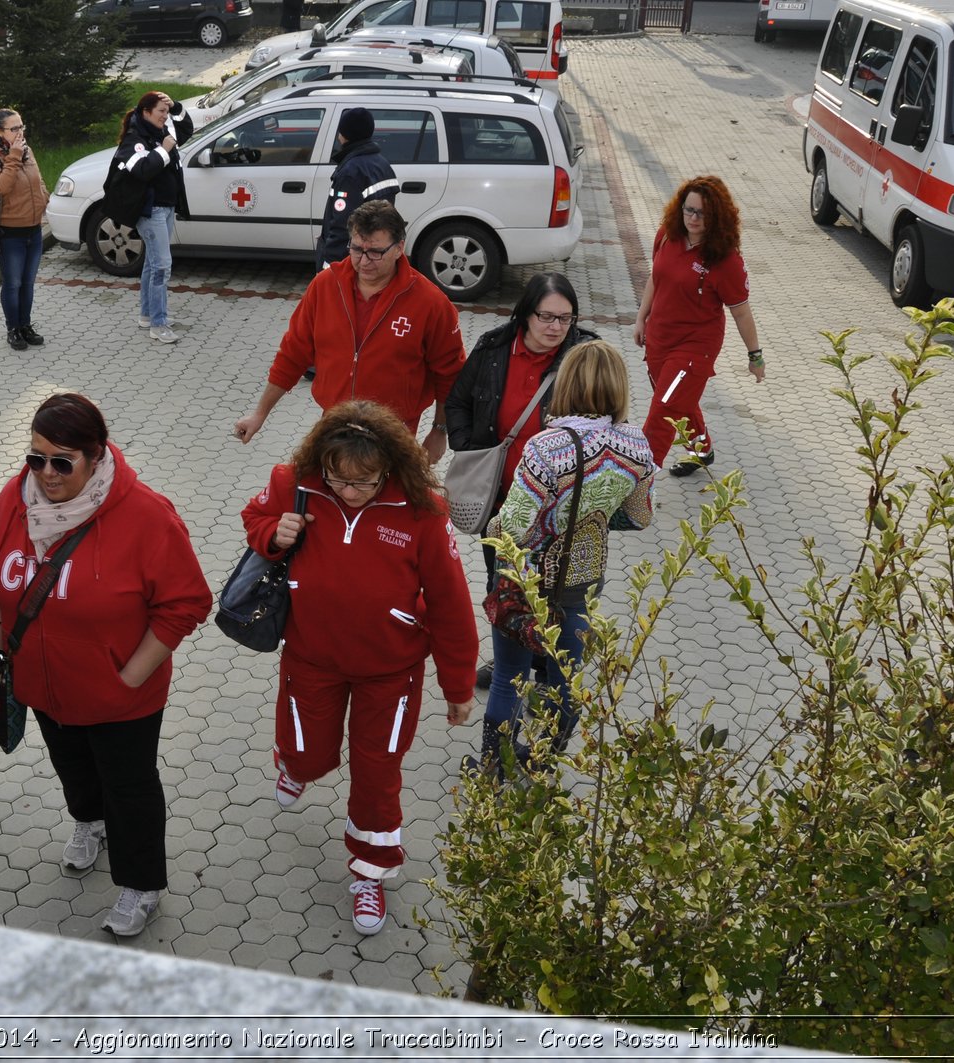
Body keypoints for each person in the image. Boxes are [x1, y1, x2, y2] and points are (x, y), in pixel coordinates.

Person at [0, 393, 211, 938]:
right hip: (43, 684)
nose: (46, 473)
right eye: (36, 458)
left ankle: (141, 883)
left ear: (96, 455)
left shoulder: (146, 515)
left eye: (63, 461)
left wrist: (128, 675)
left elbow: (187, 602)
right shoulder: (13, 502)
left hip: (120, 697)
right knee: (74, 769)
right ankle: (89, 823)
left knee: (129, 786)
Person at [240, 400, 477, 936]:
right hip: (310, 660)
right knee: (305, 755)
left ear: (388, 469)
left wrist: (458, 684)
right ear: (322, 462)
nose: (348, 493)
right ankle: (294, 765)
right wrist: (272, 533)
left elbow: (451, 604)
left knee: (377, 774)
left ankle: (369, 873)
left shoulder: (424, 511)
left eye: (364, 483)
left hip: (390, 674)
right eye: (338, 480)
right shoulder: (295, 483)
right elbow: (254, 517)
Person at [477, 340, 655, 778]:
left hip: (526, 583)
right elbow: (640, 518)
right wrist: (590, 515)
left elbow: (512, 528)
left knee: (508, 677)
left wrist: (490, 530)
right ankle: (545, 764)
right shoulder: (637, 445)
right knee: (566, 681)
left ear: (567, 383)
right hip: (583, 581)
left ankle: (494, 768)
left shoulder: (546, 447)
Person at [444, 272, 595, 691]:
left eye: (565, 319)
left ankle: (549, 672)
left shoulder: (585, 354)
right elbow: (457, 400)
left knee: (555, 588)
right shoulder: (494, 347)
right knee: (503, 585)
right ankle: (510, 658)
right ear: (525, 315)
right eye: (546, 316)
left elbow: (606, 419)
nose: (555, 327)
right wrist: (470, 447)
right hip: (502, 502)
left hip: (559, 507)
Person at [233, 201, 465, 466]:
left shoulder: (430, 303)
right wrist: (259, 414)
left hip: (393, 434)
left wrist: (440, 430)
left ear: (399, 248)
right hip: (333, 425)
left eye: (375, 252)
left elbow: (450, 374)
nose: (363, 261)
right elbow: (292, 354)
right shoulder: (324, 286)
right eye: (356, 249)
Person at [633, 175, 766, 476]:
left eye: (702, 213)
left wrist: (755, 356)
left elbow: (741, 313)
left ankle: (638, 479)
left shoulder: (726, 260)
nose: (693, 218)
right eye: (688, 210)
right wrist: (642, 317)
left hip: (695, 348)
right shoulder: (668, 235)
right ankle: (701, 450)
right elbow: (657, 278)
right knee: (679, 399)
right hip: (659, 338)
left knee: (664, 408)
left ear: (717, 216)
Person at [108, 92, 193, 344]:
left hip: (166, 208)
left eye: (166, 113)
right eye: (161, 112)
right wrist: (165, 151)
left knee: (152, 264)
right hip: (151, 211)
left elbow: (186, 130)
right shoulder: (135, 140)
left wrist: (175, 105)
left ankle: (147, 315)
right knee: (161, 267)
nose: (165, 117)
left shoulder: (159, 132)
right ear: (146, 112)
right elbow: (142, 171)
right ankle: (159, 324)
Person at [0, 107, 51, 352]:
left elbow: (37, 180)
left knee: (28, 282)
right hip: (10, 234)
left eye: (22, 127)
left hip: (33, 230)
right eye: (14, 129)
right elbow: (1, 187)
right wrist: (14, 157)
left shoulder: (27, 152)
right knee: (13, 283)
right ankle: (13, 329)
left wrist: (44, 198)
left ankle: (26, 325)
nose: (20, 132)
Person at [317, 107, 400, 270]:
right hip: (375, 253)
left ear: (345, 135)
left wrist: (329, 266)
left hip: (351, 260)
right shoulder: (382, 164)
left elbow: (343, 225)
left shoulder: (351, 171)